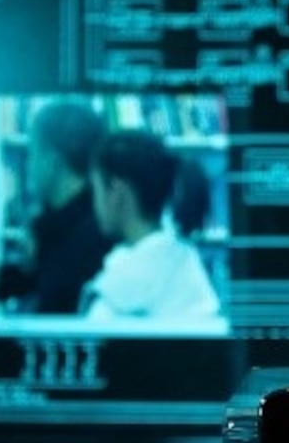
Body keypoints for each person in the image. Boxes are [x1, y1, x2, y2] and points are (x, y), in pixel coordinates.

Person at [0, 100, 114, 314]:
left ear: (53, 160)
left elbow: (58, 292)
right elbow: (43, 277)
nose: (29, 164)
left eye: (33, 153)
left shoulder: (95, 234)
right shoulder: (60, 223)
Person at [80, 129, 225, 329]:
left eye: (95, 190)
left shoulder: (121, 292)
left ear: (116, 192)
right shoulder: (183, 259)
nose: (93, 204)